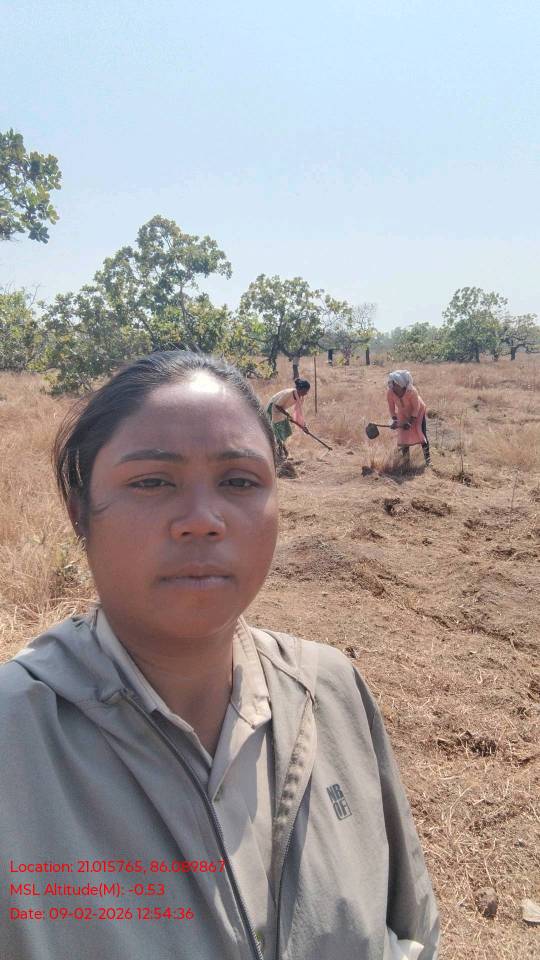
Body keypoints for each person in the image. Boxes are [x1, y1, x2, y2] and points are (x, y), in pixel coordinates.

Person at [0, 351, 439, 960]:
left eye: (239, 481)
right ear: (80, 514)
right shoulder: (15, 741)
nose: (202, 521)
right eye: (152, 481)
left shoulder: (334, 691)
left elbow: (410, 933)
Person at [386, 370, 431, 467]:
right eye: (391, 383)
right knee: (403, 437)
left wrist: (410, 422)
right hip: (403, 412)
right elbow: (391, 407)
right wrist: (395, 421)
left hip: (418, 412)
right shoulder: (390, 392)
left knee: (421, 433)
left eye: (394, 383)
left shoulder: (412, 391)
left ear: (401, 384)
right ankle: (406, 463)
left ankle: (428, 461)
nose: (392, 385)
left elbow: (416, 408)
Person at [266, 378, 310, 460]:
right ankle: (283, 453)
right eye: (305, 391)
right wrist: (287, 414)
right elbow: (277, 405)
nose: (306, 393)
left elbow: (299, 412)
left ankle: (282, 452)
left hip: (281, 410)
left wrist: (303, 426)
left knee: (284, 431)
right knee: (278, 433)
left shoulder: (300, 397)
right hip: (273, 409)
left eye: (307, 391)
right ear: (299, 388)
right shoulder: (289, 393)